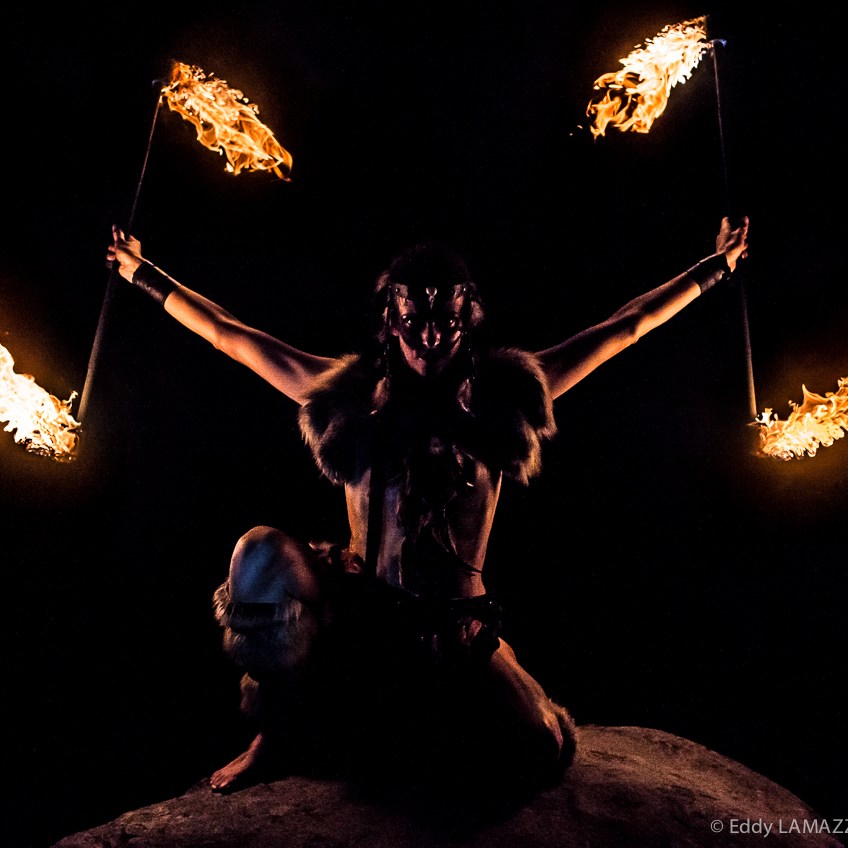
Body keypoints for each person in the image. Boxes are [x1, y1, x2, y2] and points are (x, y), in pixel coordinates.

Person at [107, 215, 749, 796]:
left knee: (540, 749)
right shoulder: (351, 394)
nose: (430, 336)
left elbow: (622, 329)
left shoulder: (507, 395)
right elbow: (232, 337)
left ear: (468, 318)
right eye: (414, 321)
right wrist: (141, 273)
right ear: (391, 320)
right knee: (259, 556)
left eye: (445, 320)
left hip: (455, 631)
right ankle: (272, 737)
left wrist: (714, 267)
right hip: (361, 621)